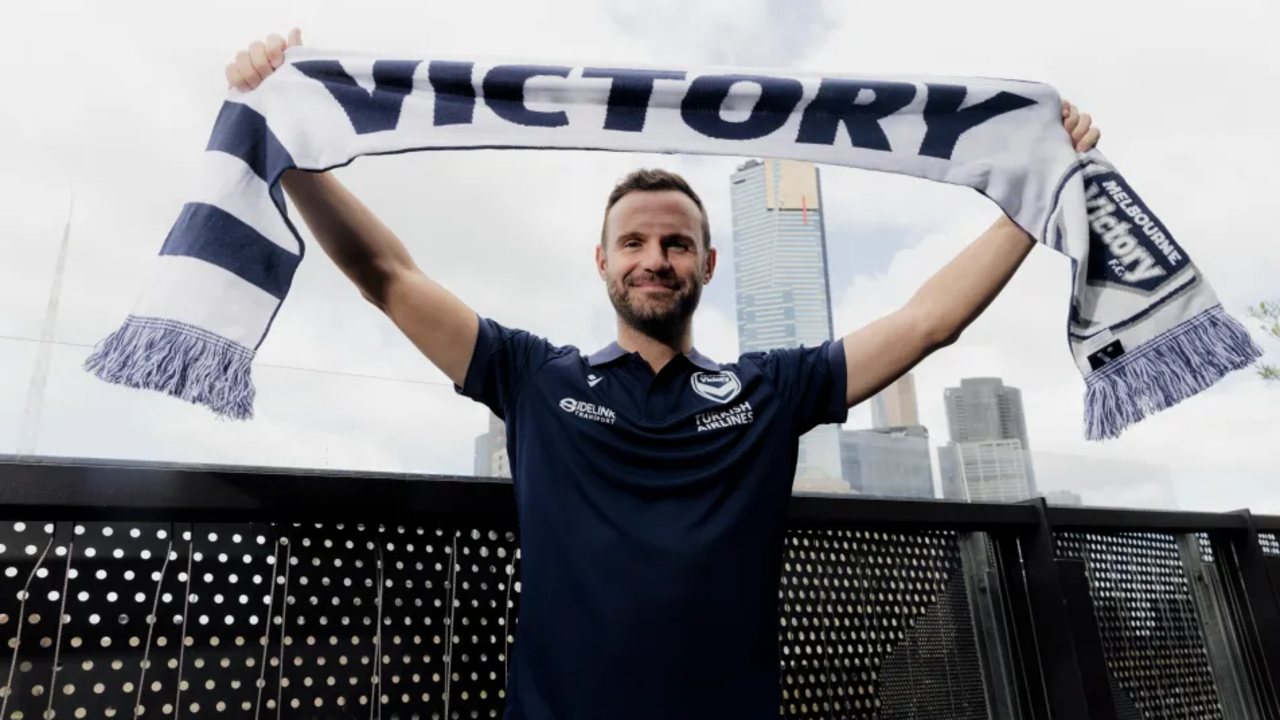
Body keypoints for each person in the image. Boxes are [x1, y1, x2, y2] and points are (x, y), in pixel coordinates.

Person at [228, 29, 1100, 720]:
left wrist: (1036, 195)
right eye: (636, 243)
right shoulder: (530, 376)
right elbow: (390, 276)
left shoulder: (772, 388)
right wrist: (291, 145)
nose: (655, 259)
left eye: (675, 243)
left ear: (707, 264)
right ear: (601, 262)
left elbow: (927, 320)